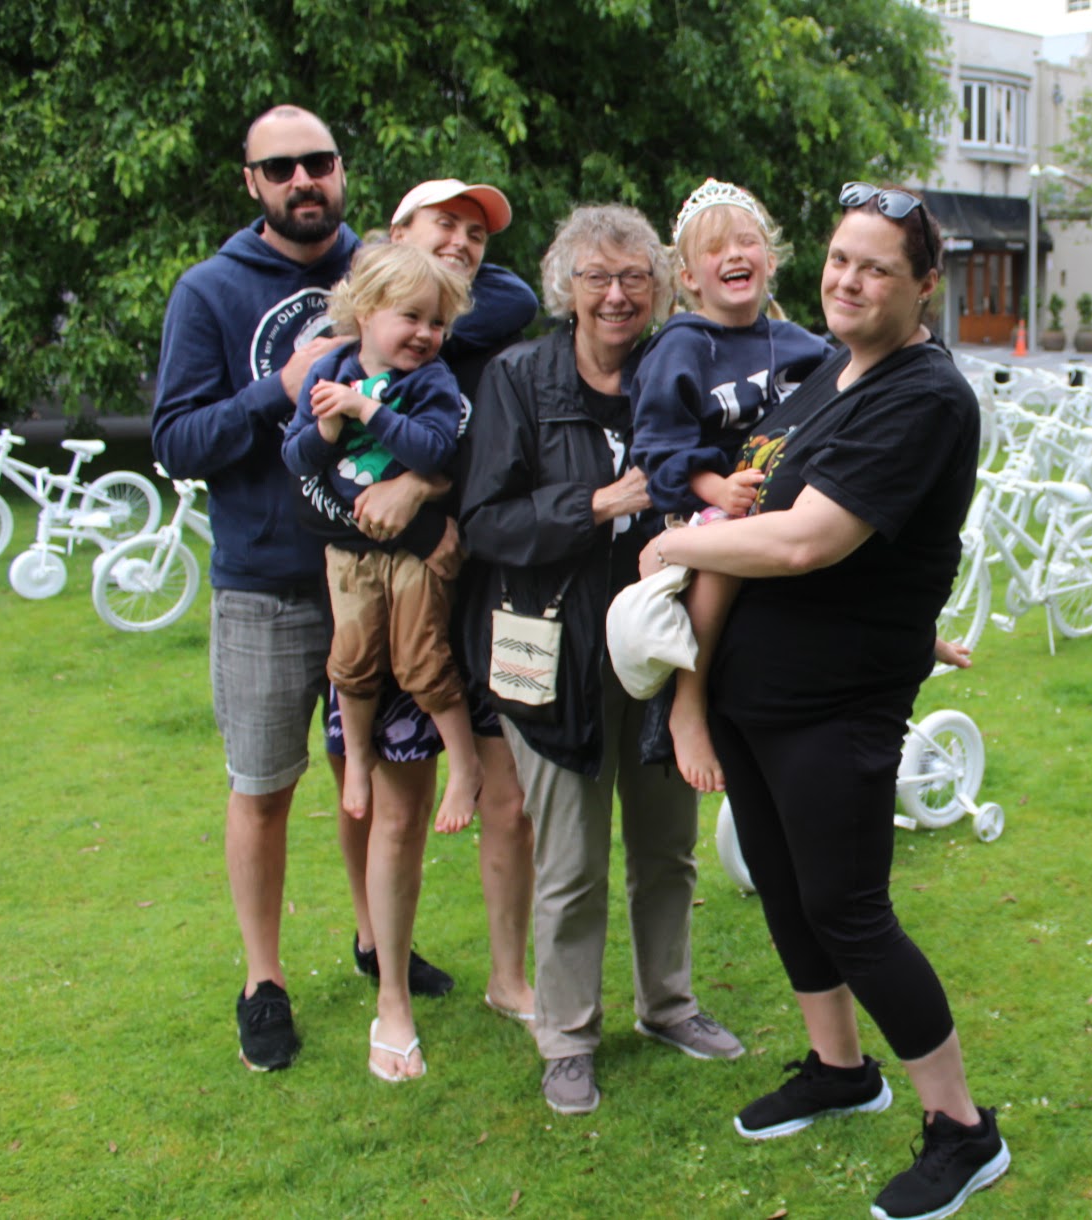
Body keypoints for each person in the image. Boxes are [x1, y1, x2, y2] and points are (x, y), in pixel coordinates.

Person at [639, 183, 1010, 1220]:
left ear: (924, 284)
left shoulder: (922, 395)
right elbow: (765, 507)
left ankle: (962, 1128)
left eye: (877, 266)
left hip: (834, 702)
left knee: (850, 912)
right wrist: (696, 695)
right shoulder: (822, 378)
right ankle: (838, 1066)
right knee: (791, 894)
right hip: (756, 694)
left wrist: (671, 540)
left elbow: (805, 538)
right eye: (840, 260)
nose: (848, 280)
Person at [151, 105, 450, 1080]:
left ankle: (376, 942)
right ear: (251, 182)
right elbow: (177, 443)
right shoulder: (210, 291)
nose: (302, 179)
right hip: (268, 580)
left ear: (340, 167)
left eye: (317, 161)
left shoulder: (387, 272)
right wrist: (279, 388)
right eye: (279, 168)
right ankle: (263, 978)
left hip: (381, 574)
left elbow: (481, 312)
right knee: (265, 784)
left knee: (364, 782)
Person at [459, 204, 744, 1117]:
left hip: (662, 654)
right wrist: (591, 504)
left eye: (635, 279)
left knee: (666, 849)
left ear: (661, 289)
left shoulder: (685, 367)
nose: (617, 297)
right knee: (571, 863)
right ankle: (569, 1039)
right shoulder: (517, 379)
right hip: (555, 652)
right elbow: (486, 523)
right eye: (597, 278)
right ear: (567, 288)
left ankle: (668, 1005)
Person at [629, 179, 829, 792]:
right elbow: (656, 449)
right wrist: (715, 489)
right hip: (711, 514)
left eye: (748, 242)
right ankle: (686, 704)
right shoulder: (681, 347)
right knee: (725, 550)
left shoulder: (806, 346)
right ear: (689, 276)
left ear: (771, 259)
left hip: (794, 509)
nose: (735, 255)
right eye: (716, 248)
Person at [281, 242, 483, 834]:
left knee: (422, 660)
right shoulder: (329, 372)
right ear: (365, 311)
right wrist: (326, 424)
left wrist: (367, 413)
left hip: (414, 556)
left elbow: (434, 448)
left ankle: (465, 767)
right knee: (350, 660)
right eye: (411, 317)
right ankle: (361, 760)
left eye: (437, 322)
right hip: (349, 553)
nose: (425, 334)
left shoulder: (431, 383)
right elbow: (295, 459)